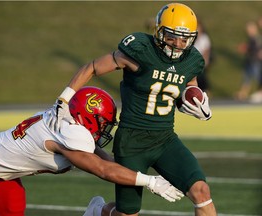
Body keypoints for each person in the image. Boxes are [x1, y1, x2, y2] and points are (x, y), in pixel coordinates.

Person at [49, 3, 217, 216]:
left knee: (201, 191)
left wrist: (198, 101)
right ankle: (100, 210)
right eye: (171, 36)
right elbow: (92, 67)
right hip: (132, 142)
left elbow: (188, 83)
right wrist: (64, 98)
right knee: (127, 213)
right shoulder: (139, 51)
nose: (177, 44)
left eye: (184, 39)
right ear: (158, 31)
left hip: (165, 139)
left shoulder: (192, 60)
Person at [0, 86, 184, 216]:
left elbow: (105, 161)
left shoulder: (68, 121)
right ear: (87, 117)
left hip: (2, 172)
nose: (104, 129)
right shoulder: (71, 133)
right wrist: (150, 182)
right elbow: (102, 170)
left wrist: (144, 174)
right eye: (102, 123)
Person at [236, 21, 262, 101]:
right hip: (250, 60)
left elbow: (257, 49)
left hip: (255, 61)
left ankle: (260, 92)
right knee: (247, 77)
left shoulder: (256, 39)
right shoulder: (251, 39)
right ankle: (243, 93)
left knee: (258, 77)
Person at [194, 20, 213, 97]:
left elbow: (206, 50)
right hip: (193, 61)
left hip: (200, 60)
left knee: (202, 77)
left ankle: (206, 91)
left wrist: (205, 60)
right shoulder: (193, 38)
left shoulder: (204, 38)